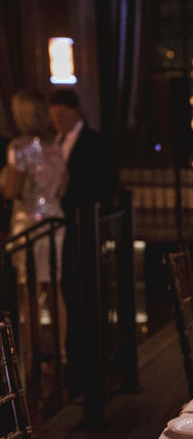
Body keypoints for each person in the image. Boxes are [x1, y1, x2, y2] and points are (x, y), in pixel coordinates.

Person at [47, 88, 116, 397]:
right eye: (54, 117)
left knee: (83, 295)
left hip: (83, 228)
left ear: (75, 111)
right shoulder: (55, 143)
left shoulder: (95, 142)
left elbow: (105, 184)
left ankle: (90, 362)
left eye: (62, 115)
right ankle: (72, 361)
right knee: (66, 292)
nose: (58, 121)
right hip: (59, 229)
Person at [0, 89, 67, 372]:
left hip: (28, 221)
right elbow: (62, 186)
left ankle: (30, 356)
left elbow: (12, 191)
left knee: (27, 291)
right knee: (54, 288)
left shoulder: (19, 147)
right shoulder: (55, 145)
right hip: (53, 219)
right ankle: (61, 353)